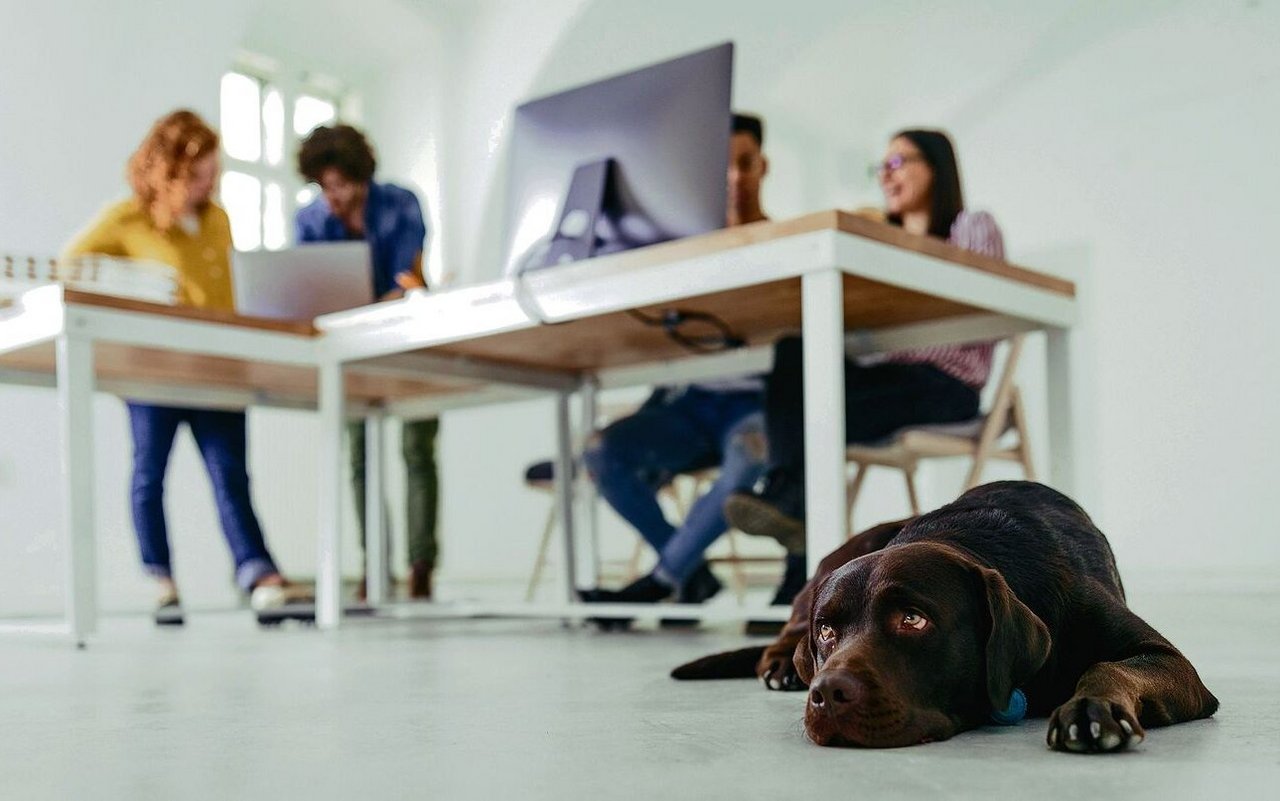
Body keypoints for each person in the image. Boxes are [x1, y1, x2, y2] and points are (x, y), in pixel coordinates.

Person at [724, 128, 1006, 584]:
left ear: (935, 167)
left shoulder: (970, 226)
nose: (886, 176)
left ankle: (793, 556)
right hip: (890, 378)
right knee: (797, 355)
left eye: (898, 163)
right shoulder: (881, 241)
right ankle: (788, 499)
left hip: (944, 383)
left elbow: (982, 300)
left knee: (812, 415)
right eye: (881, 168)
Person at [63, 109, 307, 625]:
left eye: (213, 173)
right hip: (154, 367)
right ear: (168, 170)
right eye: (198, 174)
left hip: (217, 367)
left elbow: (232, 290)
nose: (208, 184)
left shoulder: (218, 220)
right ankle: (162, 581)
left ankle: (257, 573)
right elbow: (72, 265)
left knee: (231, 474)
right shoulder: (127, 219)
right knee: (149, 474)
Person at [576, 113, 808, 623]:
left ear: (762, 166)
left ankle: (659, 582)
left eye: (743, 164)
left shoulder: (792, 245)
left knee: (749, 454)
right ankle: (690, 570)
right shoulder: (684, 251)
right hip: (692, 405)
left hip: (757, 404)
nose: (732, 177)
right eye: (720, 167)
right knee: (599, 451)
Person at [294, 123, 440, 600]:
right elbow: (307, 286)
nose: (330, 196)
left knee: (417, 450)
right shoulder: (311, 222)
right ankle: (373, 564)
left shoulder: (402, 204)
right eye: (322, 186)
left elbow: (407, 278)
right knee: (359, 455)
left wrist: (379, 303)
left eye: (339, 184)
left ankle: (421, 565)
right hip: (348, 347)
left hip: (407, 337)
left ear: (359, 177)